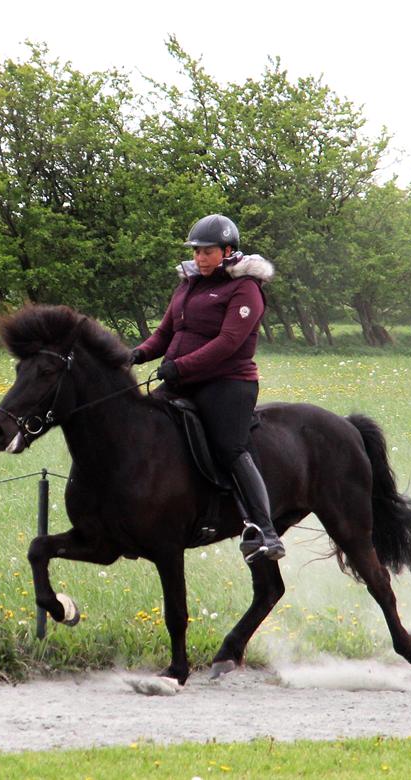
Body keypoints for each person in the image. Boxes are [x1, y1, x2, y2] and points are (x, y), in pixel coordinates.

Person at [130, 214, 285, 561]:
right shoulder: (188, 284)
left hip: (228, 383)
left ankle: (265, 531)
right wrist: (137, 354)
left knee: (229, 447)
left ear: (228, 251)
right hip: (182, 380)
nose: (200, 258)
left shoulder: (245, 288)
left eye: (207, 252)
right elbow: (165, 333)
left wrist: (178, 366)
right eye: (197, 252)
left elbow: (228, 343)